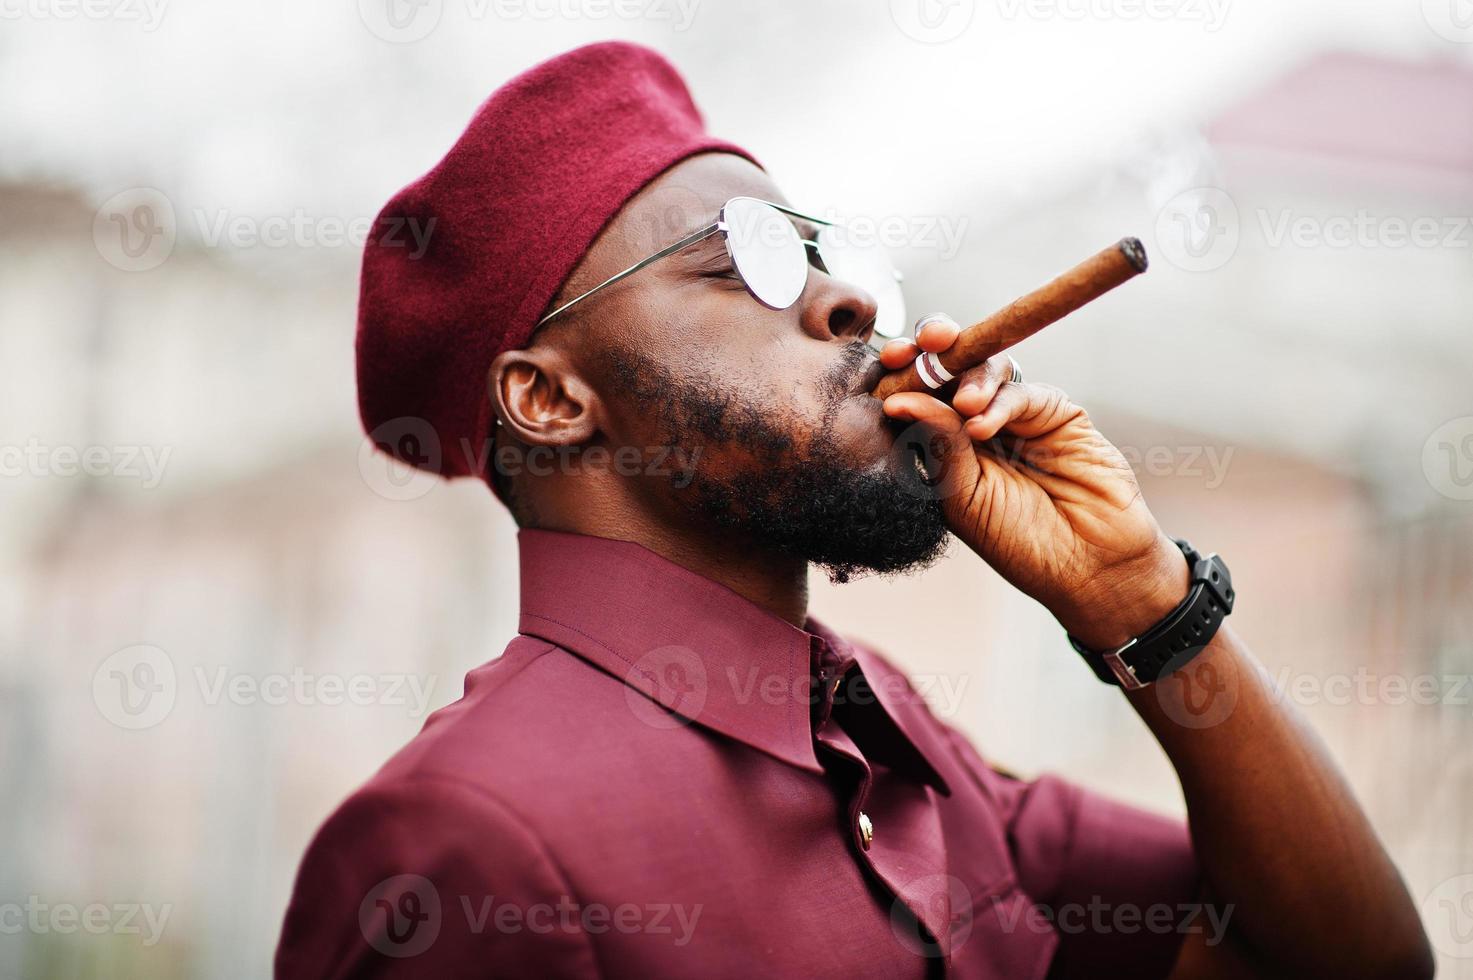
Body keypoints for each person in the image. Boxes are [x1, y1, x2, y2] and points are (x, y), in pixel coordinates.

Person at [276, 41, 1431, 979]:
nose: (849, 298)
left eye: (817, 247)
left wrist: (1147, 603)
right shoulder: (462, 845)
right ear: (549, 396)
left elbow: (1347, 956)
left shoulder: (893, 738)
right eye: (744, 262)